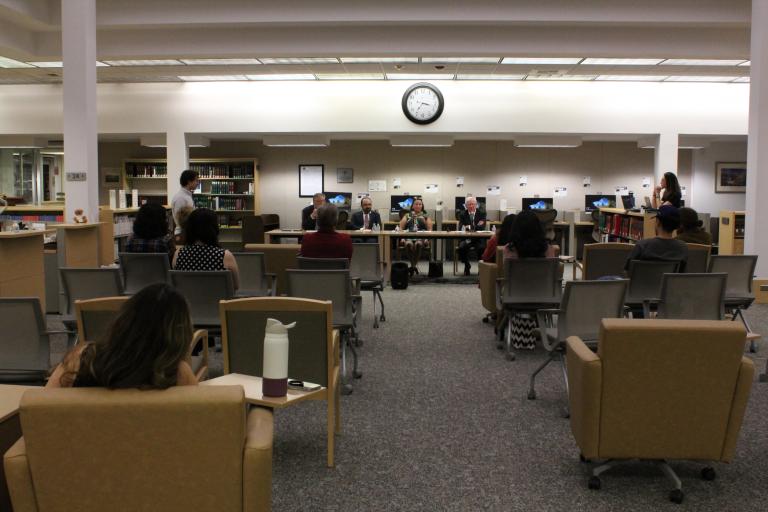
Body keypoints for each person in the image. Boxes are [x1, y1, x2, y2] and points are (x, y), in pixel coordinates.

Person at [46, 283, 198, 388]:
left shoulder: (81, 359)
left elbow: (40, 409)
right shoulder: (177, 373)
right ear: (180, 332)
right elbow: (201, 421)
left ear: (126, 319)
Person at [503, 210, 561, 350]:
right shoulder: (549, 249)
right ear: (538, 227)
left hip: (515, 297)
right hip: (545, 297)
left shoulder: (509, 250)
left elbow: (506, 277)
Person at [172, 208, 240, 290]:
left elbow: (175, 284)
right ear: (214, 228)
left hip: (188, 301)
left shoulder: (178, 254)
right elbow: (235, 286)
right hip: (217, 301)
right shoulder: (225, 256)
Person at [625, 204, 688, 272]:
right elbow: (681, 273)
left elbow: (627, 271)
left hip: (642, 282)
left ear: (658, 222)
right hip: (669, 282)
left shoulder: (642, 245)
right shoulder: (682, 247)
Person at [398, 197, 433, 275]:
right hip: (409, 236)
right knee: (408, 244)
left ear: (422, 206)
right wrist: (402, 237)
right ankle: (413, 266)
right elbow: (400, 228)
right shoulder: (407, 215)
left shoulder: (425, 215)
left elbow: (430, 229)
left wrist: (427, 239)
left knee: (418, 244)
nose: (418, 206)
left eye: (420, 204)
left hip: (422, 237)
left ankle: (412, 266)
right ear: (413, 206)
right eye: (416, 204)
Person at [456, 196, 487, 275]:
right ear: (466, 206)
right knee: (461, 247)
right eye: (469, 204)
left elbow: (481, 226)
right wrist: (474, 226)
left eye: (473, 204)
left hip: (478, 239)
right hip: (467, 238)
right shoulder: (462, 214)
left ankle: (481, 267)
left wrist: (469, 227)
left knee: (482, 248)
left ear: (476, 204)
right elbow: (461, 227)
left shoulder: (482, 213)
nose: (471, 206)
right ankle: (467, 265)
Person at [171, 169, 199, 237]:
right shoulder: (180, 198)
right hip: (182, 234)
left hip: (187, 232)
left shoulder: (187, 195)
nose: (197, 183)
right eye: (196, 180)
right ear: (189, 181)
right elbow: (180, 220)